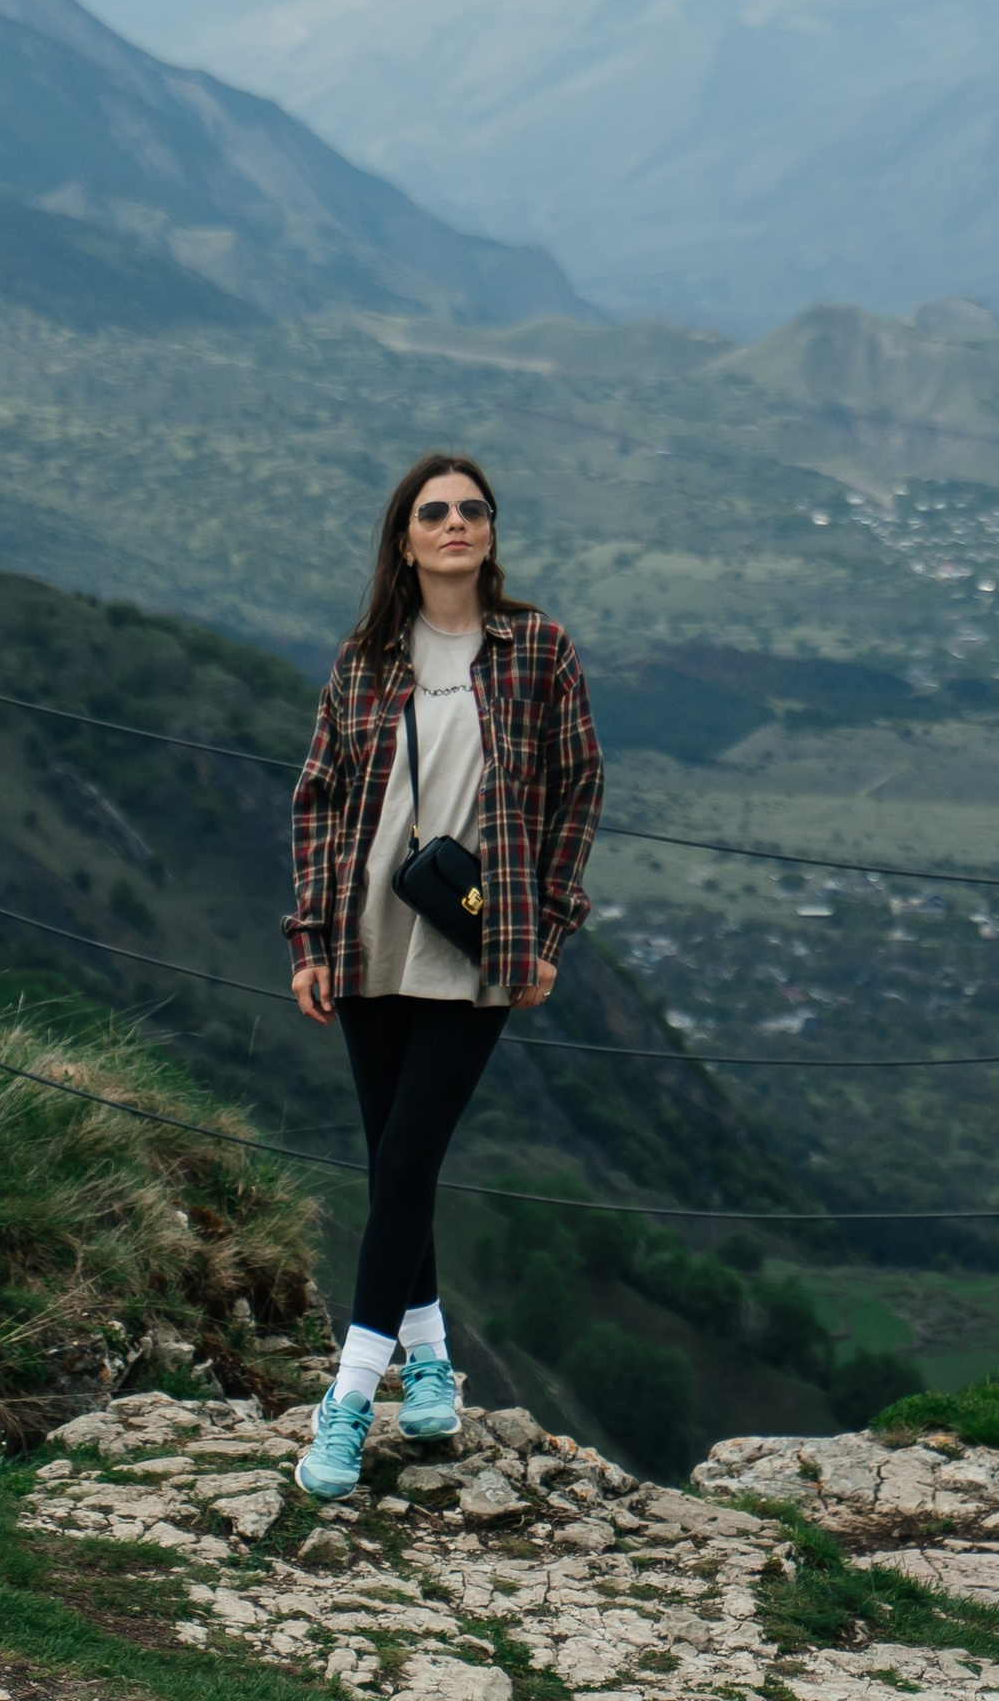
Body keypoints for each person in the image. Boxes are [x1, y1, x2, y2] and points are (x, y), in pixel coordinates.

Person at [286, 449, 604, 1496]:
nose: (457, 523)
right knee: (395, 1166)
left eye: (474, 509)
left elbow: (577, 792)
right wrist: (310, 940)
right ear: (406, 538)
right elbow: (321, 800)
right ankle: (428, 1366)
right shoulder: (365, 658)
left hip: (480, 936)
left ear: (491, 533)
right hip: (369, 926)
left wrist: (550, 929)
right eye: (436, 512)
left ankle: (347, 1398)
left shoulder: (537, 649)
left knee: (411, 1155)